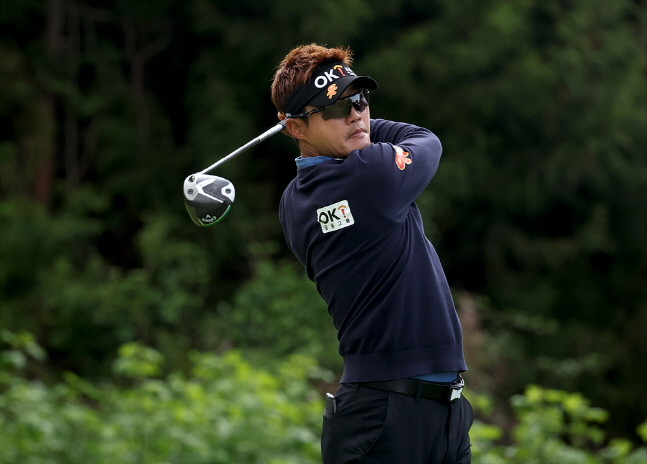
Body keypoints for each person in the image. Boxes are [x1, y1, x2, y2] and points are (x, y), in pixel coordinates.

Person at [271, 44, 473, 464]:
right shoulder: (371, 176)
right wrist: (363, 129)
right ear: (295, 128)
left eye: (360, 100)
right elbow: (426, 140)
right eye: (334, 109)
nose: (355, 115)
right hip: (387, 418)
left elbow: (362, 137)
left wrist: (348, 126)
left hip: (429, 412)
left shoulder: (295, 201)